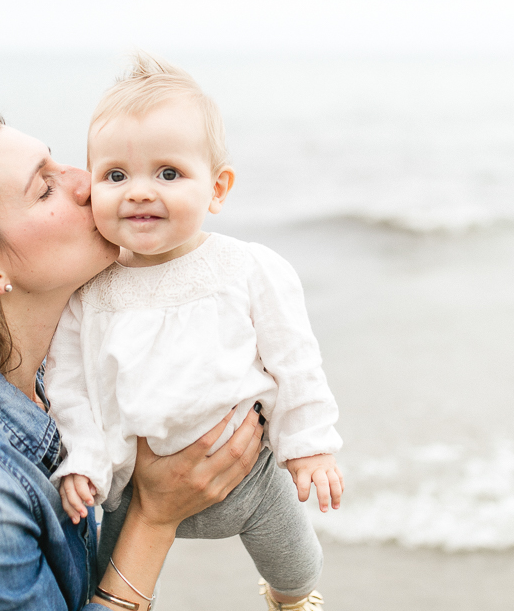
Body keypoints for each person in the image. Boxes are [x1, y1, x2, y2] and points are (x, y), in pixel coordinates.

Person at [0, 113, 264, 610]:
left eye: (60, 163)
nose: (87, 181)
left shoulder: (40, 371)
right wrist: (155, 518)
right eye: (45, 188)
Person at [45, 55, 343, 611]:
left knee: (300, 567)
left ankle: (291, 601)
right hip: (131, 491)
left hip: (249, 476)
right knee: (101, 583)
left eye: (168, 173)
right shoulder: (89, 293)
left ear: (218, 188)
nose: (138, 191)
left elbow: (294, 361)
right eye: (115, 176)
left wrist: (310, 446)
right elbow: (71, 389)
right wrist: (82, 459)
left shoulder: (248, 269)